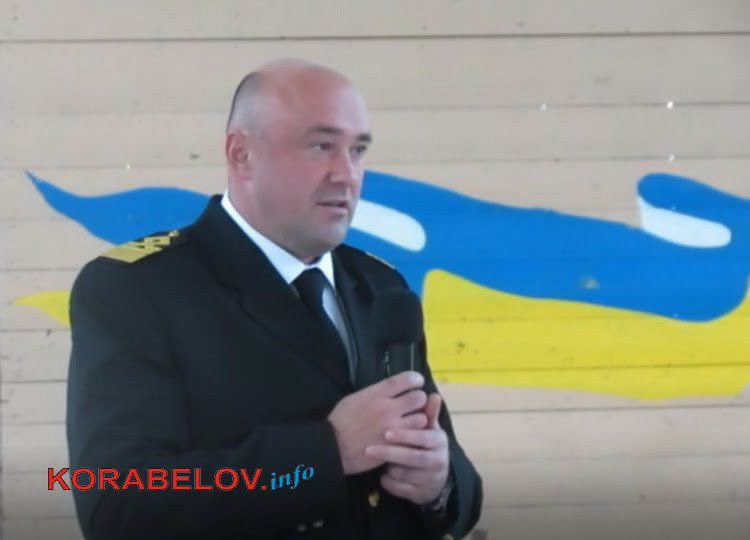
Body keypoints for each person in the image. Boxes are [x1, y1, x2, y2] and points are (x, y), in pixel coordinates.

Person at [66, 59, 483, 539]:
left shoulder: (380, 286)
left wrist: (438, 484)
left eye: (358, 150)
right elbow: (117, 506)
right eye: (321, 146)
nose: (347, 174)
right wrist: (323, 456)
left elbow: (459, 486)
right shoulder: (138, 289)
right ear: (241, 154)